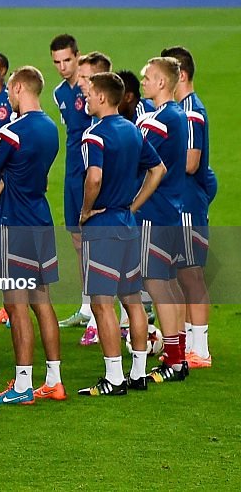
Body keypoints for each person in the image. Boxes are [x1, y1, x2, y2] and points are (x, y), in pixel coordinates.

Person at [77, 72, 165, 396]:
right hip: (128, 224)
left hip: (103, 227)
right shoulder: (133, 131)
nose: (85, 98)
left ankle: (114, 378)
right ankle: (139, 373)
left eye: (89, 93)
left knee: (102, 303)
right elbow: (158, 169)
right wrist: (134, 204)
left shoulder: (94, 135)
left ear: (102, 97)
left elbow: (94, 179)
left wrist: (86, 211)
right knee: (132, 301)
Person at [0, 66, 64, 406]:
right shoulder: (51, 128)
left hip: (13, 222)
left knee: (16, 306)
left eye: (9, 89)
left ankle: (22, 385)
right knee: (42, 302)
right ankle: (54, 380)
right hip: (40, 218)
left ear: (19, 87)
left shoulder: (11, 133)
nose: (6, 94)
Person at [135, 58, 190, 384]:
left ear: (163, 83)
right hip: (172, 209)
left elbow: (141, 163)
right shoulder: (178, 116)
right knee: (169, 283)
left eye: (149, 77)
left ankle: (172, 358)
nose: (144, 81)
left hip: (154, 212)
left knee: (157, 284)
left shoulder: (160, 120)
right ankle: (178, 357)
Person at [161, 46, 215, 368]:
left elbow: (192, 162)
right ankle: (188, 343)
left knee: (191, 274)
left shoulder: (191, 112)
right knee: (182, 273)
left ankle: (201, 348)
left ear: (180, 74)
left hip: (187, 204)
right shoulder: (182, 109)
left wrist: (156, 166)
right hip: (181, 201)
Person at [50, 35, 93, 334]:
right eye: (57, 62)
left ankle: (130, 307)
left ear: (78, 56)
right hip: (73, 171)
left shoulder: (91, 86)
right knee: (77, 240)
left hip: (94, 167)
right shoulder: (58, 93)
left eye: (67, 60)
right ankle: (87, 306)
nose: (63, 67)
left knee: (101, 239)